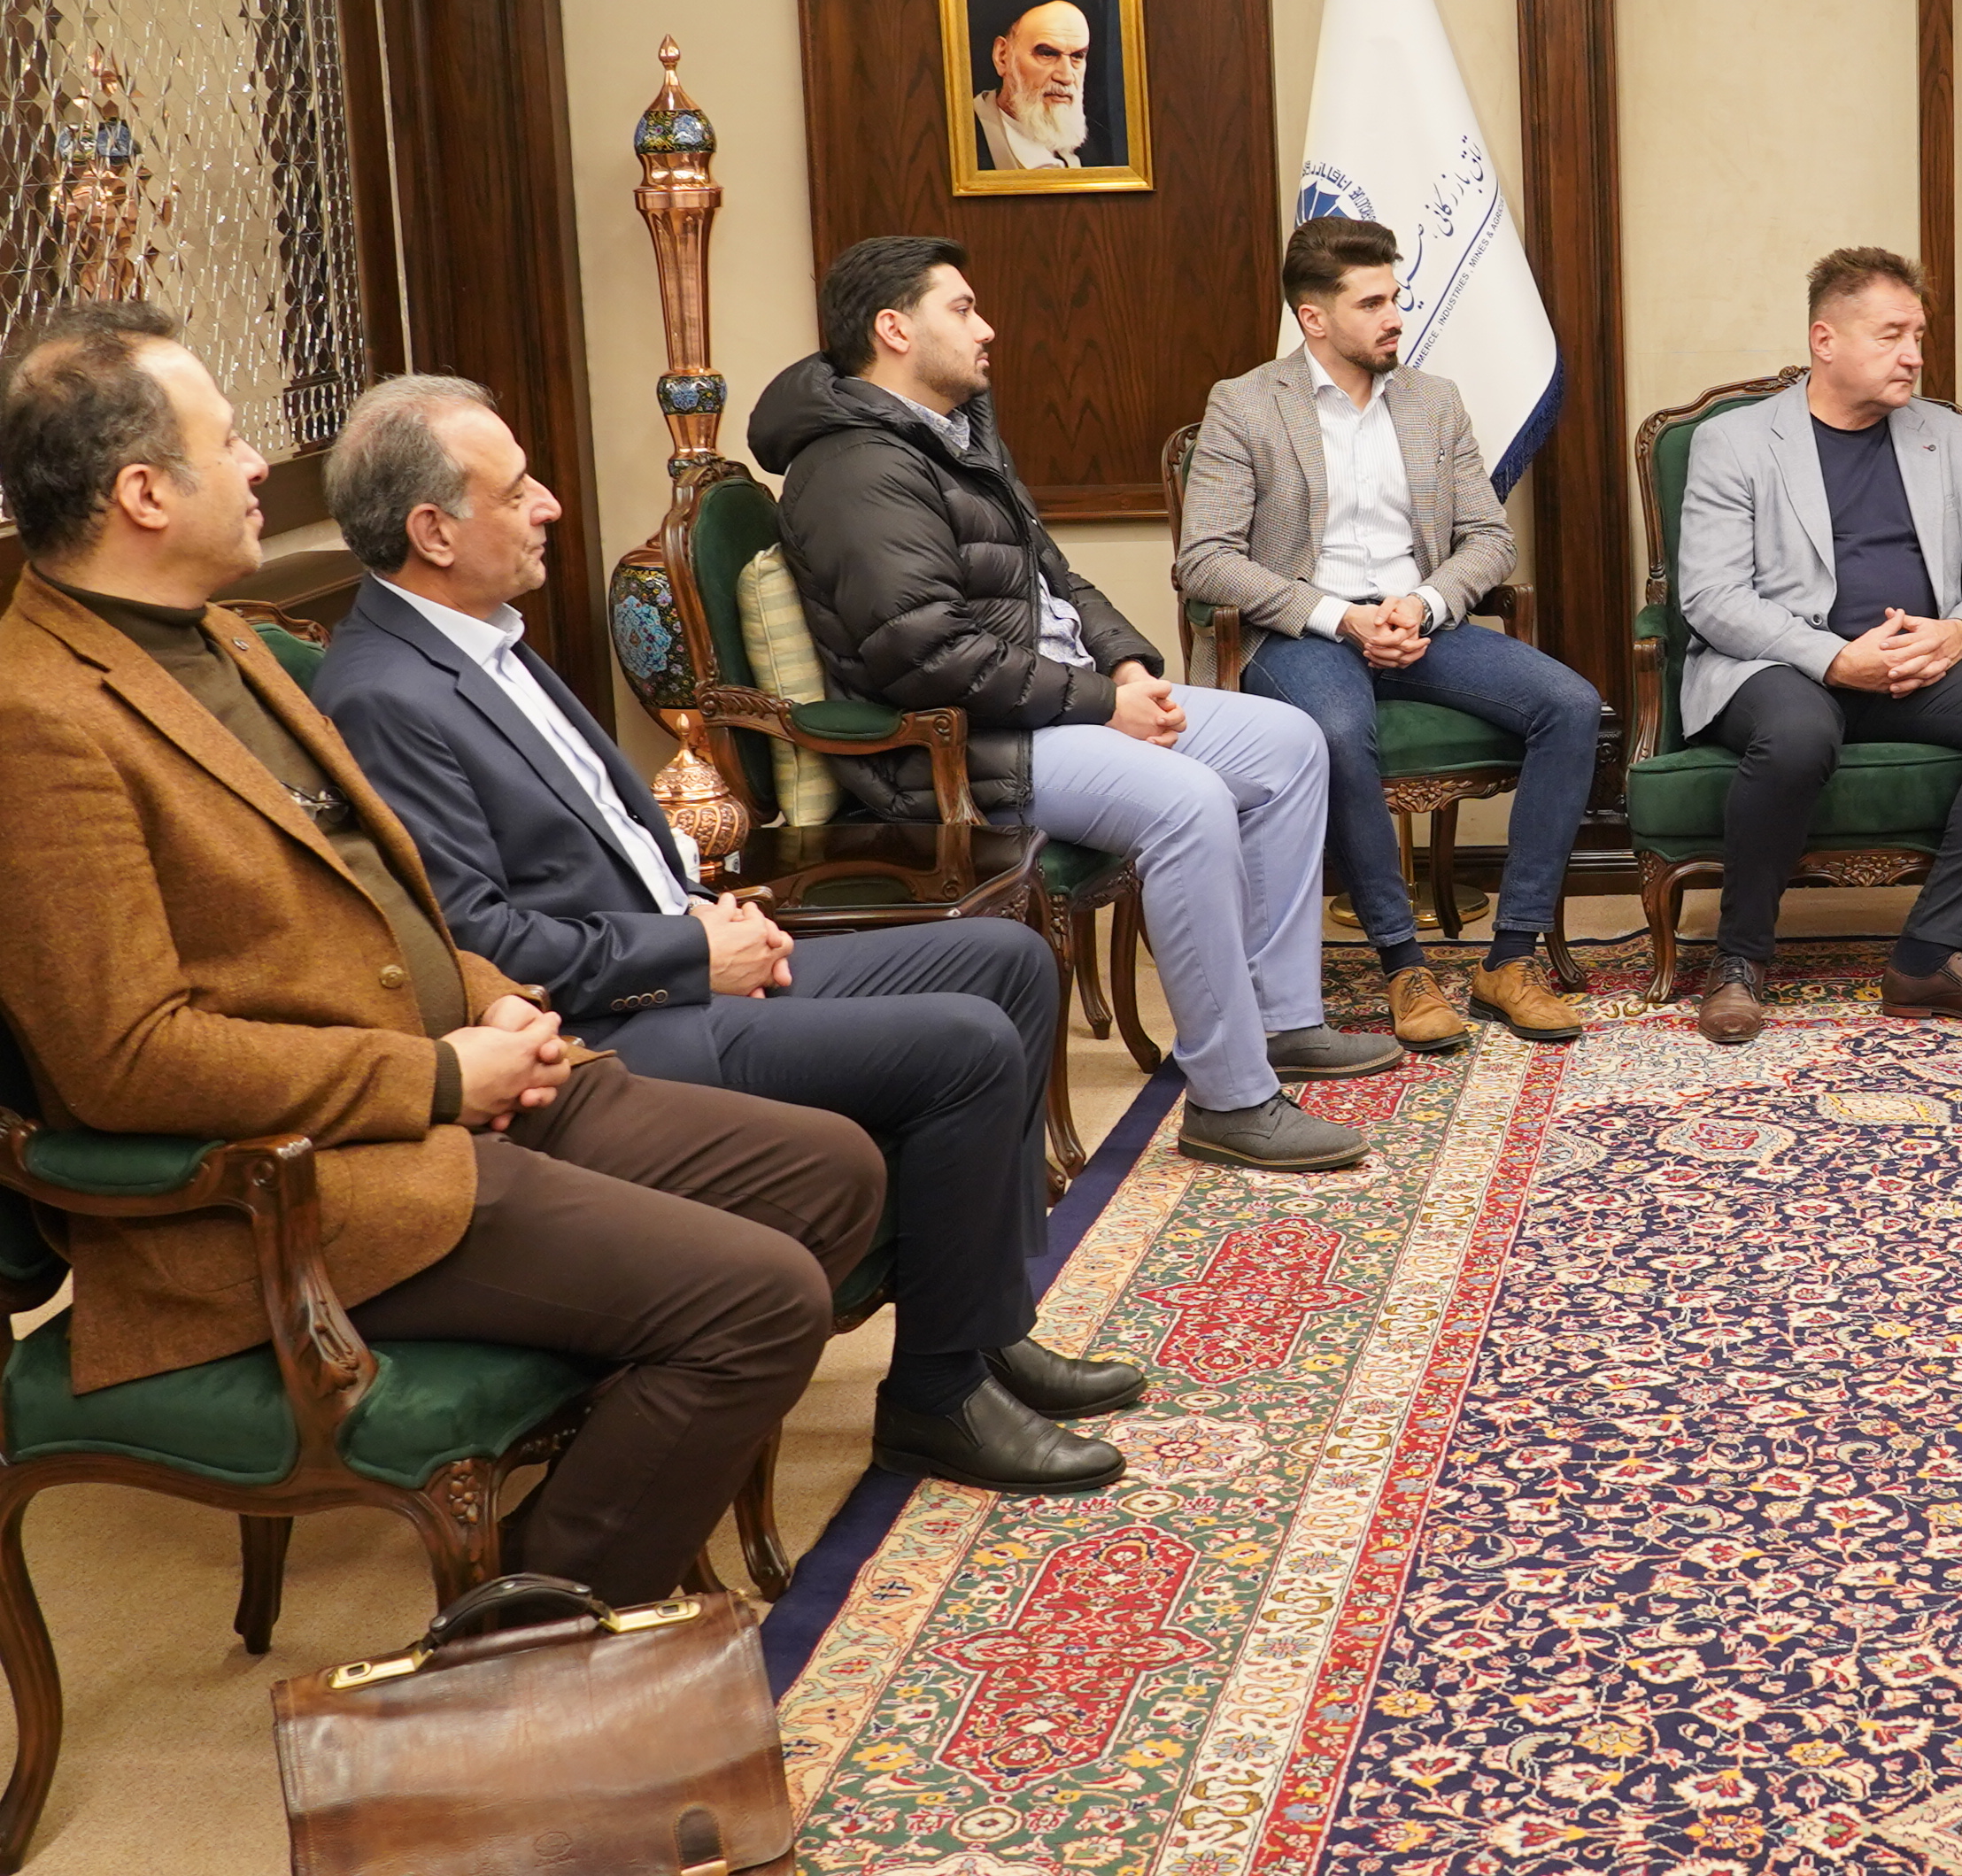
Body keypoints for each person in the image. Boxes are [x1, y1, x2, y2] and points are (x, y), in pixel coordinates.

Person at [0, 307, 884, 1602]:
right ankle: (523, 1640)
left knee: (832, 1174)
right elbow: (125, 1059)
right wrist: (439, 1078)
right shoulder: (37, 719)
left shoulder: (224, 635)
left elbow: (386, 895)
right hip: (300, 1187)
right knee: (758, 1299)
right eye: (229, 441)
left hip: (468, 1078)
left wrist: (499, 1008)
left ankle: (566, 1536)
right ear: (143, 492)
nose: (257, 464)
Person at [310, 374, 1139, 1495]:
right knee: (966, 1046)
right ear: (433, 530)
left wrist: (701, 908)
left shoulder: (484, 637)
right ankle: (936, 1398)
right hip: (609, 1030)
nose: (550, 503)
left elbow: (594, 839)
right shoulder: (387, 693)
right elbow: (478, 940)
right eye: (517, 490)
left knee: (1009, 959)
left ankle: (985, 1331)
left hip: (681, 953)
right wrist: (689, 954)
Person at [752, 235, 1400, 1171]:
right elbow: (923, 655)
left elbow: (1057, 578)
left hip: (1052, 704)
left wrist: (1127, 666)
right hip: (960, 744)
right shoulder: (855, 466)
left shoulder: (955, 433)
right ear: (894, 329)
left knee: (1289, 742)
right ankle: (1230, 1099)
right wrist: (1102, 705)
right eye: (962, 309)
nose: (987, 328)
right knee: (1188, 803)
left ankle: (1283, 1019)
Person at [1176, 218, 1601, 1051]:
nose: (1395, 317)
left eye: (1395, 298)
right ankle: (1404, 965)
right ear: (1313, 317)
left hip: (1418, 619)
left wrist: (1425, 604)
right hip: (1304, 631)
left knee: (1572, 706)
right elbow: (1206, 560)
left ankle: (1511, 959)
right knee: (1336, 730)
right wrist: (1341, 617)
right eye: (1372, 303)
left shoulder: (1433, 401)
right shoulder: (1246, 404)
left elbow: (1489, 538)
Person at [1672, 245, 1962, 1044]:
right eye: (1892, 336)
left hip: (1913, 665)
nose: (1914, 355)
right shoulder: (1736, 441)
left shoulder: (1941, 434)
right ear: (1825, 340)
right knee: (1798, 731)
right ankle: (1739, 961)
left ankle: (1930, 957)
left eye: (1917, 335)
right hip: (1779, 666)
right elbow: (1711, 597)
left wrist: (1959, 632)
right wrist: (1832, 658)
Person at [973, 0, 1093, 171]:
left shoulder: (1093, 151)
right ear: (1002, 56)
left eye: (1077, 56)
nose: (1066, 77)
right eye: (1047, 54)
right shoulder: (964, 142)